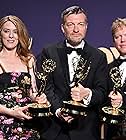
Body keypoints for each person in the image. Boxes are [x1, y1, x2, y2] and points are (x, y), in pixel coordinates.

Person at [36, 5, 108, 140]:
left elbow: (102, 91)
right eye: (71, 24)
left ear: (86, 27)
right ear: (62, 28)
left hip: (86, 130)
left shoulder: (98, 56)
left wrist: (87, 93)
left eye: (80, 24)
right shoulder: (49, 52)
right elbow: (46, 87)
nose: (76, 29)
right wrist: (58, 111)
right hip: (54, 129)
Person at [0, 15, 47, 140]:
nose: (11, 36)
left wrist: (39, 99)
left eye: (15, 32)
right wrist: (10, 112)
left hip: (27, 123)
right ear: (0, 34)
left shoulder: (28, 59)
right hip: (2, 124)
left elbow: (32, 92)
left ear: (20, 35)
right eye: (6, 31)